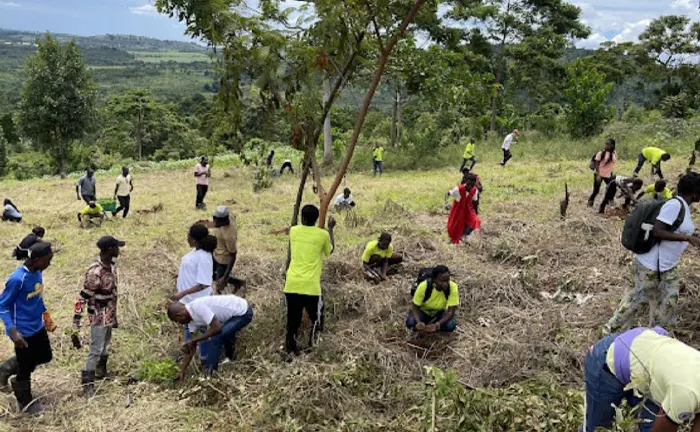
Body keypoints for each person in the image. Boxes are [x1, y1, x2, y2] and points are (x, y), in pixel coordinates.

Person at [604, 173, 700, 334]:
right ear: (695, 192)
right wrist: (687, 238)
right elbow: (657, 231)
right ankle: (609, 334)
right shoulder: (675, 205)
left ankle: (658, 337)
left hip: (667, 266)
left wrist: (692, 238)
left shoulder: (684, 206)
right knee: (635, 302)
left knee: (669, 302)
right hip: (650, 265)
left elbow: (676, 229)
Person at [581, 326, 700, 432]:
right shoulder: (686, 393)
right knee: (597, 428)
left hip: (648, 362)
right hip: (610, 358)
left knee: (651, 424)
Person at [0, 242, 55, 414]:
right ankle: (25, 402)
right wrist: (13, 331)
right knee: (25, 369)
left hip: (37, 326)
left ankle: (6, 368)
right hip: (22, 331)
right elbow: (3, 306)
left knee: (45, 356)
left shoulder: (37, 273)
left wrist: (45, 315)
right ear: (37, 259)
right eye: (48, 260)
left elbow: (37, 297)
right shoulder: (17, 279)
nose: (49, 264)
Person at [73, 236, 125, 397]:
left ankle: (101, 371)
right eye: (117, 247)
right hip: (98, 315)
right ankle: (88, 383)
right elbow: (83, 296)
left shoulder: (111, 267)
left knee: (106, 344)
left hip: (109, 313)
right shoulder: (95, 272)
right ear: (110, 249)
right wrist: (76, 320)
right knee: (95, 348)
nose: (119, 250)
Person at [283, 205, 336, 355]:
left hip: (292, 284)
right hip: (311, 287)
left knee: (292, 321)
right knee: (317, 318)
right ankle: (313, 346)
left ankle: (290, 350)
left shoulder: (293, 231)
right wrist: (330, 229)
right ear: (317, 219)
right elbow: (330, 251)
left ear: (302, 217)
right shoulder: (323, 235)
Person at [167, 295, 253, 378]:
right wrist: (182, 371)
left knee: (216, 338)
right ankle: (230, 359)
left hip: (242, 312)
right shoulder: (190, 322)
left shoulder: (197, 306)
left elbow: (216, 328)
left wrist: (194, 340)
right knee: (224, 334)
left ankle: (210, 374)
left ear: (179, 315)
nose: (178, 324)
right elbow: (191, 347)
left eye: (177, 321)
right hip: (231, 316)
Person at [171, 224, 217, 364]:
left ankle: (203, 359)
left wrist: (182, 293)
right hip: (188, 300)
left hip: (198, 300)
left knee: (201, 330)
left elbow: (204, 283)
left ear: (195, 240)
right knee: (188, 327)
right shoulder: (194, 253)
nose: (187, 238)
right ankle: (188, 355)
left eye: (188, 236)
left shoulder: (204, 257)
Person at [406, 266, 458, 333]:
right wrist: (418, 322)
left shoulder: (452, 287)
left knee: (451, 325)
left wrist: (437, 324)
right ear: (434, 279)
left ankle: (433, 328)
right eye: (442, 281)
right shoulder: (423, 286)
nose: (445, 284)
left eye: (447, 280)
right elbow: (415, 307)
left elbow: (450, 312)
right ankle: (422, 329)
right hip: (423, 312)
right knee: (411, 322)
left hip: (439, 313)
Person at [212, 206, 242, 294]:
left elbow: (233, 255)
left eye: (218, 221)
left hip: (223, 259)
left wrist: (225, 277)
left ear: (225, 220)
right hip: (216, 251)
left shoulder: (229, 236)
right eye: (214, 219)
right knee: (210, 274)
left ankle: (237, 283)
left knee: (219, 284)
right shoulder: (229, 216)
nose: (215, 222)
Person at [446, 173, 481, 244]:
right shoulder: (458, 189)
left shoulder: (474, 190)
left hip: (468, 208)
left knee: (475, 221)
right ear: (466, 182)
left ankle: (463, 235)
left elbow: (475, 201)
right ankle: (455, 238)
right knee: (455, 225)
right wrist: (446, 204)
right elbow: (447, 194)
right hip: (458, 208)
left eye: (472, 185)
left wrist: (475, 212)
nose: (470, 187)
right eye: (469, 185)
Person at [588, 138, 617, 208]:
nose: (606, 146)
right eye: (606, 144)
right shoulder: (601, 153)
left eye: (608, 144)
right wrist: (598, 175)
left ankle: (609, 200)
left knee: (613, 188)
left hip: (608, 174)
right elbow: (597, 164)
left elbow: (612, 164)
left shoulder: (614, 153)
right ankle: (590, 202)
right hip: (599, 174)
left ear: (612, 145)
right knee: (596, 190)